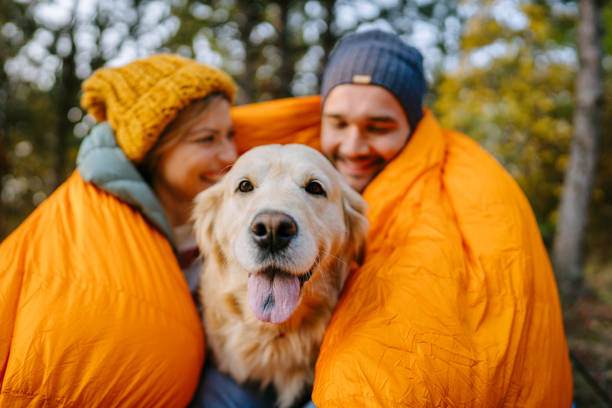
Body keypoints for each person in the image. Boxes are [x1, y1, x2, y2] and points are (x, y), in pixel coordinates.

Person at [230, 29, 573, 407]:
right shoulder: (294, 162)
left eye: (378, 127)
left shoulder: (464, 186)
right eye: (338, 123)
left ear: (412, 124)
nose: (354, 147)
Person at [0, 54, 237, 406]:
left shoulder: (231, 228)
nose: (230, 154)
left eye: (230, 135)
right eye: (207, 139)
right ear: (156, 147)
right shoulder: (95, 226)